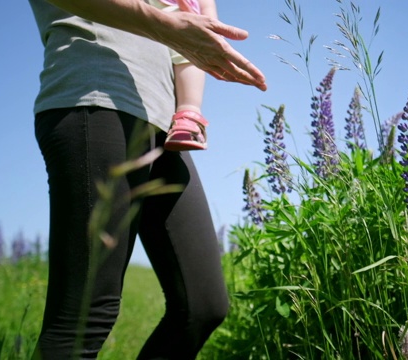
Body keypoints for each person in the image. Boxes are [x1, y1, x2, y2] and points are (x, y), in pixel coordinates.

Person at [27, 0, 267, 358]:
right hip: (96, 99)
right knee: (84, 317)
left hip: (164, 123)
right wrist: (165, 24)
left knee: (203, 306)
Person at [150, 0, 216, 151]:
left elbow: (207, 4)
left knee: (190, 57)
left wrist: (212, 30)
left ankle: (188, 115)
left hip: (182, 14)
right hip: (140, 11)